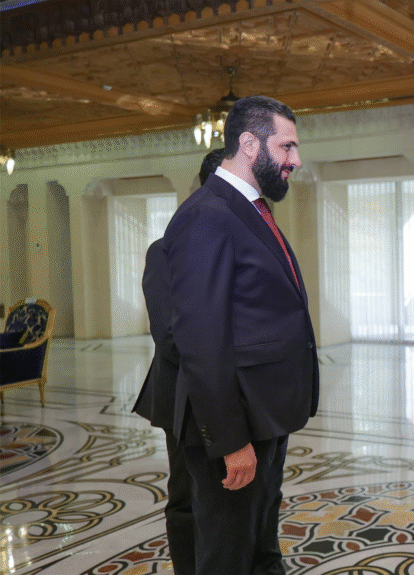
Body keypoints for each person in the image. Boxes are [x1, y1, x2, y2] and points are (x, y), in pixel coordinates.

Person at [162, 95, 319, 574]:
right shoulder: (205, 215)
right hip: (237, 429)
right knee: (228, 558)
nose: (295, 159)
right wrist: (231, 441)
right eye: (287, 146)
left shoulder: (248, 209)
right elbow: (201, 343)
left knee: (260, 549)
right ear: (250, 144)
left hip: (263, 419)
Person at [131, 146, 226, 575]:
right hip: (185, 397)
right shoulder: (166, 249)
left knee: (233, 498)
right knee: (188, 495)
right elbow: (171, 337)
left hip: (235, 397)